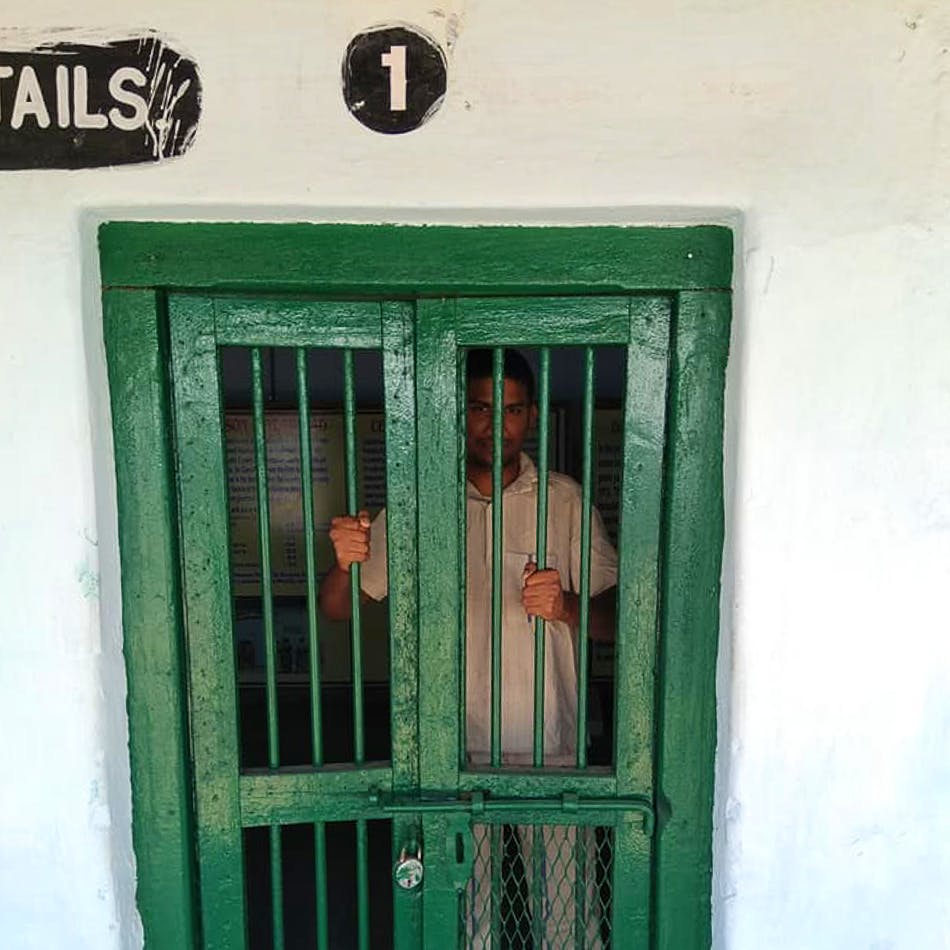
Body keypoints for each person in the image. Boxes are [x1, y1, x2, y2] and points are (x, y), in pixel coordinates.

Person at [319, 348, 617, 945]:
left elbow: (619, 620)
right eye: (481, 407)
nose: (494, 423)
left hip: (549, 742)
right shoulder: (419, 504)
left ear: (529, 415)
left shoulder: (563, 502)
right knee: (463, 916)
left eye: (509, 409)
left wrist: (566, 607)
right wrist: (343, 564)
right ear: (459, 412)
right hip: (446, 749)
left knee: (566, 917)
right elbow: (335, 610)